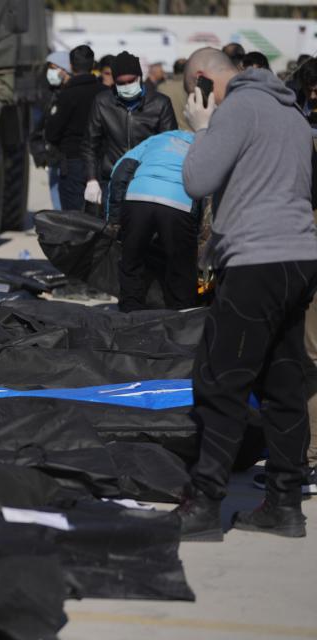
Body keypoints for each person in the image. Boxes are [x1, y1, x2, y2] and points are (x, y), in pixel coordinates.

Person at [174, 48, 317, 540]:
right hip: (299, 260)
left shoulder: (237, 108)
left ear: (200, 81)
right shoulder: (291, 113)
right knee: (283, 385)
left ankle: (204, 505)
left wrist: (201, 128)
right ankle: (284, 504)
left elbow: (197, 180)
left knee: (220, 381)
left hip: (255, 261)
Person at [107, 130, 197, 312]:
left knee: (131, 259)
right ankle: (181, 314)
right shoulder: (202, 144)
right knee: (181, 265)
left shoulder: (154, 140)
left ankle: (130, 312)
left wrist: (114, 217)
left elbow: (120, 171)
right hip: (178, 202)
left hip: (138, 196)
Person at [81, 51, 177, 215]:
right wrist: (91, 180)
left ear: (140, 77)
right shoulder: (102, 102)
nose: (127, 86)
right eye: (121, 83)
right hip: (111, 180)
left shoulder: (160, 104)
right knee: (110, 233)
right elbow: (90, 144)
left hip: (147, 181)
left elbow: (170, 145)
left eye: (131, 81)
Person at [44, 45, 107, 212]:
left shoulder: (66, 95)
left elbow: (52, 133)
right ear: (93, 65)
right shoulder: (105, 93)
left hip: (73, 163)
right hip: (101, 162)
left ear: (71, 66)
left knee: (73, 219)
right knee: (99, 216)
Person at [40, 51, 72, 211]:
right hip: (53, 156)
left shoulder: (71, 93)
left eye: (54, 68)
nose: (51, 72)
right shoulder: (50, 92)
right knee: (56, 198)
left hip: (68, 156)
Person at [158, 59, 191, 133]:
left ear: (174, 69)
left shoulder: (162, 87)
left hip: (171, 135)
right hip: (191, 134)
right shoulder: (192, 87)